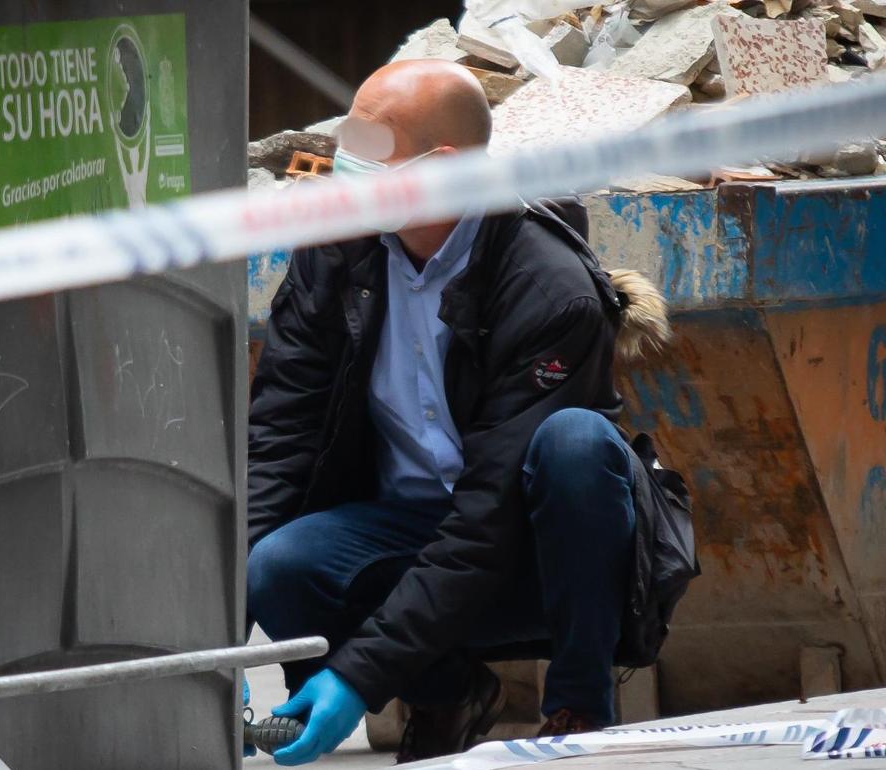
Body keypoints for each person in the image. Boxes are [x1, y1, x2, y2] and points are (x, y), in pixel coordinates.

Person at [246, 59, 680, 765]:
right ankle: (445, 695)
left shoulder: (549, 288)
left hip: (534, 551)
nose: (341, 162)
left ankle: (577, 708)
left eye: (367, 145)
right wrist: (216, 645)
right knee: (278, 566)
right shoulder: (335, 251)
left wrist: (358, 678)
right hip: (409, 529)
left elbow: (487, 519)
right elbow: (279, 442)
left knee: (577, 445)